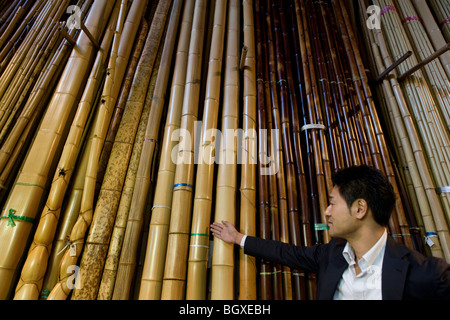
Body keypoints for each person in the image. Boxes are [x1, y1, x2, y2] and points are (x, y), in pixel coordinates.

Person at [210, 165, 450, 300]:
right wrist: (239, 238)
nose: (326, 212)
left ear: (359, 208)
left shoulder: (426, 274)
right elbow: (286, 252)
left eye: (333, 203)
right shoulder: (332, 255)